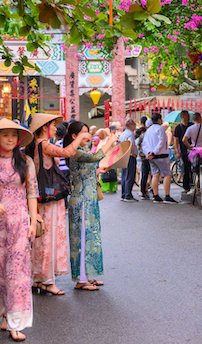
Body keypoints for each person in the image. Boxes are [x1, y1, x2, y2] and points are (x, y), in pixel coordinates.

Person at [0, 118, 39, 343]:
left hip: (20, 222)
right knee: (0, 272)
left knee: (18, 273)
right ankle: (5, 313)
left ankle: (15, 323)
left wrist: (33, 221)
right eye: (5, 135)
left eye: (14, 134)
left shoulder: (26, 161)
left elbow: (32, 192)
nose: (10, 138)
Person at [24, 113, 88, 296]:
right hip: (50, 199)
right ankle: (47, 280)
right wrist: (80, 139)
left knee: (41, 238)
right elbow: (68, 152)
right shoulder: (43, 144)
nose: (55, 129)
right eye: (53, 126)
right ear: (45, 127)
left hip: (41, 197)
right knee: (49, 237)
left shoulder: (36, 146)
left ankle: (39, 279)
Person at [65, 121, 121, 290]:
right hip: (82, 200)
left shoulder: (81, 151)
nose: (88, 135)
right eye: (84, 132)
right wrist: (110, 141)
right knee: (82, 239)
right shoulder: (75, 151)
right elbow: (96, 157)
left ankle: (86, 276)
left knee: (89, 238)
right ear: (74, 136)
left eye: (88, 132)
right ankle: (81, 280)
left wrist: (97, 171)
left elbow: (84, 170)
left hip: (88, 200)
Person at [143, 113, 176, 204]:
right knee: (167, 174)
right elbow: (161, 141)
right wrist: (154, 152)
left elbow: (144, 144)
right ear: (159, 120)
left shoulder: (148, 130)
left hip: (151, 156)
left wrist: (149, 153)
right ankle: (167, 195)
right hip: (160, 155)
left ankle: (156, 195)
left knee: (155, 174)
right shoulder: (160, 128)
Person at [119, 119, 139, 201]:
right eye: (134, 124)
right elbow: (131, 144)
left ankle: (123, 194)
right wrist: (133, 153)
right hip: (129, 156)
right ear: (130, 125)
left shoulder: (123, 133)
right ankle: (128, 195)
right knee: (130, 175)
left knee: (124, 175)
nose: (135, 126)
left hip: (123, 156)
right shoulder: (130, 133)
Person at [172, 111, 191, 194]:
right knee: (186, 168)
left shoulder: (191, 125)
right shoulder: (178, 128)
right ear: (183, 117)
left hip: (193, 149)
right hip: (184, 150)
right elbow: (176, 140)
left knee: (193, 168)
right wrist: (177, 151)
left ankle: (193, 183)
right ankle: (186, 186)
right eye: (187, 116)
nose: (188, 118)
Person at [136, 117, 152, 200]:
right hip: (152, 156)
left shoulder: (142, 135)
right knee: (153, 174)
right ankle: (151, 189)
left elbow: (138, 147)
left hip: (143, 157)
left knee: (144, 174)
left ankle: (143, 192)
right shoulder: (152, 134)